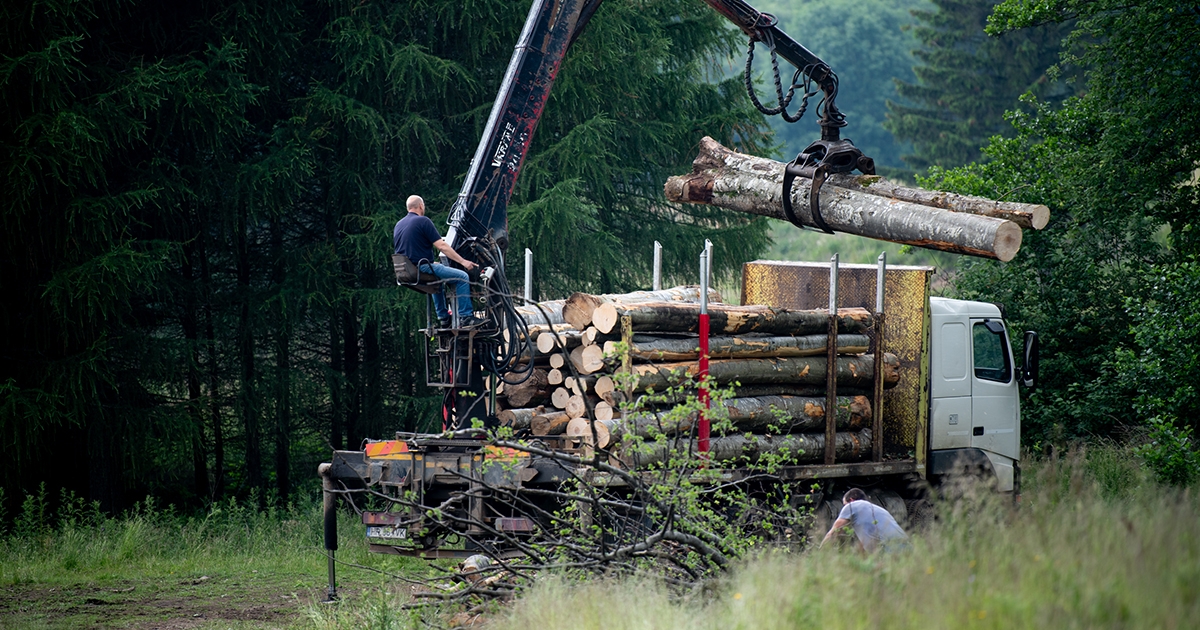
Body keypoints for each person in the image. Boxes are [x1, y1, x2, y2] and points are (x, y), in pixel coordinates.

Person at [393, 195, 482, 328]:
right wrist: (463, 262)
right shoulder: (423, 221)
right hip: (422, 267)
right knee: (462, 277)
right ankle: (466, 317)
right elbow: (442, 246)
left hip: (407, 269)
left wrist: (430, 262)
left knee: (436, 280)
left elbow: (409, 249)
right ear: (421, 206)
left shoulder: (399, 225)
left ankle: (444, 318)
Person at [820, 488, 909, 554]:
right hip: (907, 548)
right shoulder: (879, 510)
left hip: (890, 551)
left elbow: (834, 533)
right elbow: (864, 546)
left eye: (844, 505)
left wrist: (819, 553)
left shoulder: (851, 506)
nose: (844, 508)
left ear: (851, 500)